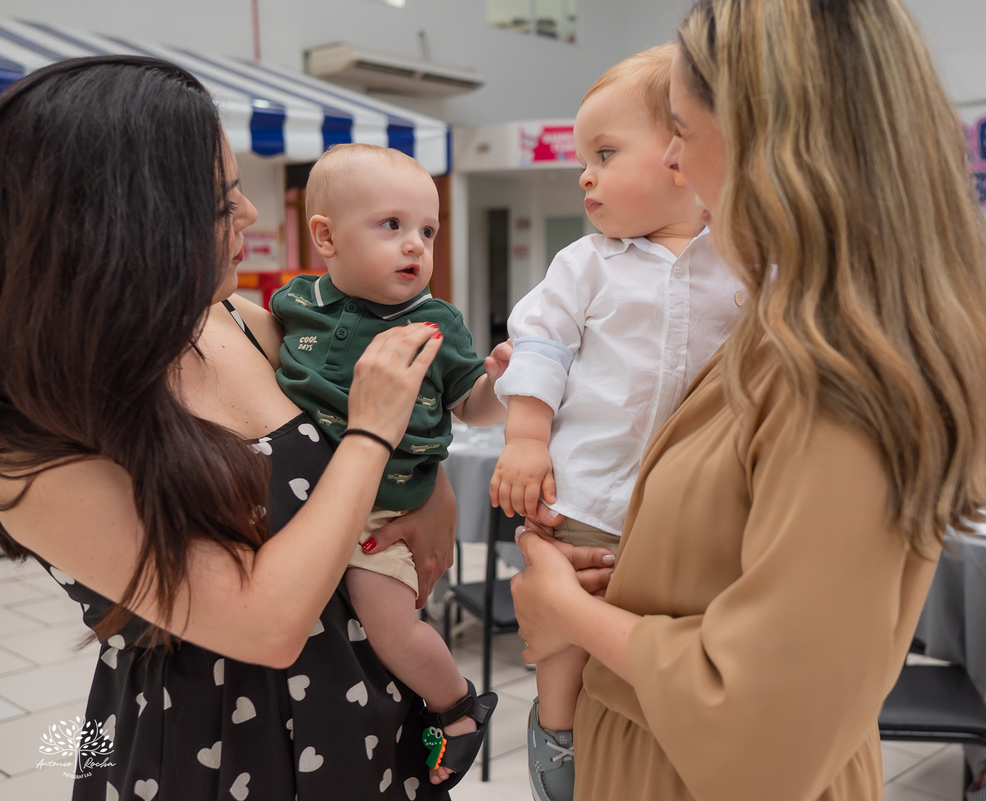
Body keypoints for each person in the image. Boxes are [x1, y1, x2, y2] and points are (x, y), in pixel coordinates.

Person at [0, 56, 580, 800]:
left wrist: (427, 484)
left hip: (362, 708)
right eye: (221, 202)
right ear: (124, 223)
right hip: (208, 748)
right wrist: (372, 437)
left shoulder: (238, 320)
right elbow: (266, 622)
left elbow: (353, 426)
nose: (249, 214)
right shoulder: (34, 440)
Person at [508, 0, 986, 799]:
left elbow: (766, 724)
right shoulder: (780, 325)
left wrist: (565, 612)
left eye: (682, 129)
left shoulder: (837, 375)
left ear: (770, 139)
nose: (671, 159)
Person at [486, 43, 743, 801]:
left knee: (659, 633)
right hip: (590, 493)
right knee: (565, 621)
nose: (585, 176)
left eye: (604, 153)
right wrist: (526, 439)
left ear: (682, 154)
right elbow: (540, 345)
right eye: (582, 160)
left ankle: (658, 736)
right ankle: (556, 729)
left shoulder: (740, 265)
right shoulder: (586, 263)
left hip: (691, 510)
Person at [271, 143, 504, 785]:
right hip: (309, 507)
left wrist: (502, 383)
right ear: (326, 237)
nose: (415, 246)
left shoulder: (435, 323)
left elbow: (472, 407)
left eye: (428, 230)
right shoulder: (294, 304)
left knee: (389, 626)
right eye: (392, 225)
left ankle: (458, 707)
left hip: (384, 511)